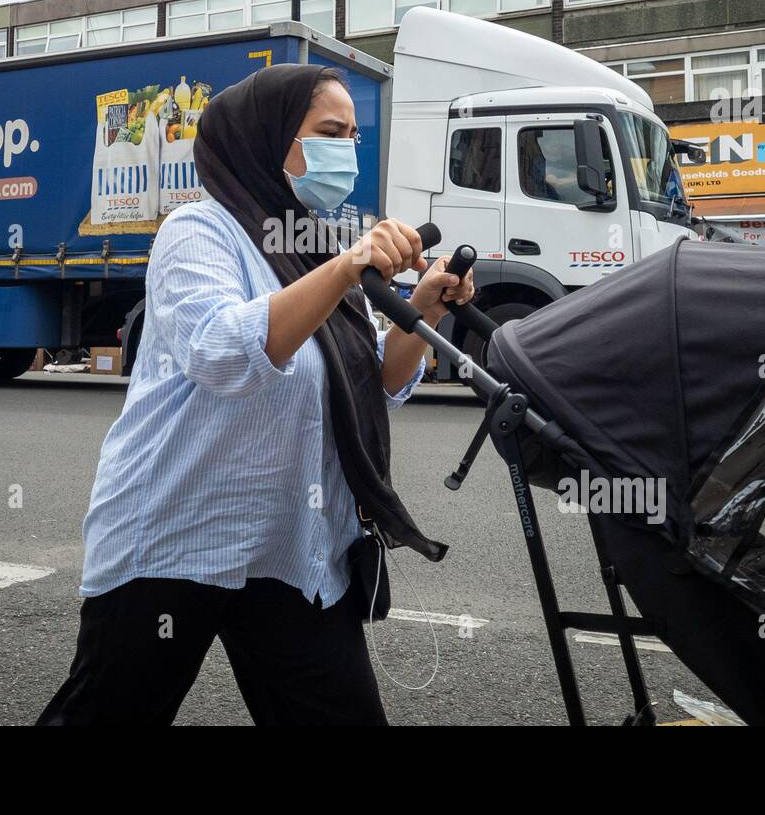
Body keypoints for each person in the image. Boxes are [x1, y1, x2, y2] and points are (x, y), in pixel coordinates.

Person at [38, 63, 474, 726]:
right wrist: (346, 266)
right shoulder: (198, 233)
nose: (347, 150)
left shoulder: (314, 250)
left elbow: (373, 378)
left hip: (288, 550)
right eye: (330, 131)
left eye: (354, 135)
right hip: (174, 543)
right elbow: (222, 351)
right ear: (266, 139)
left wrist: (424, 307)